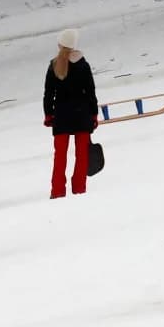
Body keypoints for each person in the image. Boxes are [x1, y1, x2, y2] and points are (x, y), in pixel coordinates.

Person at [43, 29, 98, 199]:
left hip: (61, 115)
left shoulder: (54, 64)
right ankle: (79, 189)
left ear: (60, 44)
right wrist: (94, 114)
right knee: (81, 155)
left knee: (60, 156)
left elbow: (48, 93)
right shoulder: (83, 64)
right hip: (82, 114)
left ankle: (57, 190)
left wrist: (48, 114)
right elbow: (90, 92)